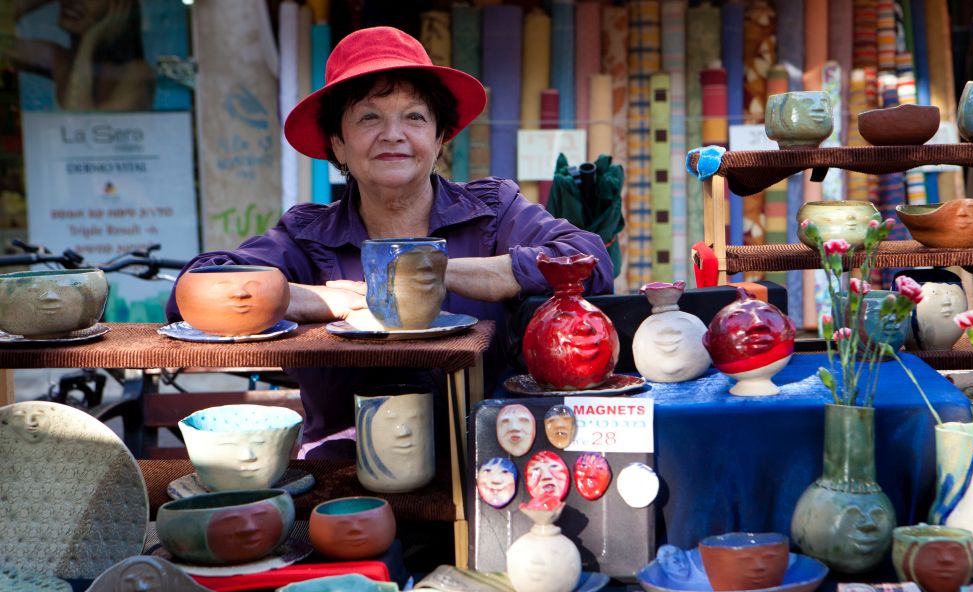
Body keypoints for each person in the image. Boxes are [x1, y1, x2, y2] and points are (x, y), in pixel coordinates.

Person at [166, 27, 613, 459]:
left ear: (439, 139)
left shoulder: (493, 211)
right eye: (369, 117)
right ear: (338, 145)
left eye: (415, 117)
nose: (393, 134)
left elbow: (591, 262)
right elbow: (195, 290)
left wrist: (445, 272)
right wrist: (318, 299)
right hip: (344, 484)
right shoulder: (306, 235)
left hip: (490, 469)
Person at [12, 0, 155, 111]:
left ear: (121, 7)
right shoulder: (60, 60)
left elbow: (81, 128)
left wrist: (89, 42)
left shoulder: (136, 74)